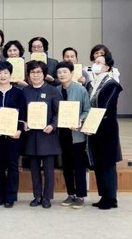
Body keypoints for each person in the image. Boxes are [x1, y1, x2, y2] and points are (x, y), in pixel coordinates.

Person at [86, 53, 123, 210]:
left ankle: (111, 198)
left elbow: (104, 107)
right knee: (99, 163)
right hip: (94, 129)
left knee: (108, 163)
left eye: (99, 62)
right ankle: (103, 196)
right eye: (95, 62)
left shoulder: (112, 84)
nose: (95, 64)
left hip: (107, 129)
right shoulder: (92, 84)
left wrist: (91, 125)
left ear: (107, 67)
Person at [22, 60, 62, 209]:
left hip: (47, 135)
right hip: (31, 136)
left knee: (48, 170)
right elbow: (22, 112)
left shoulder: (53, 91)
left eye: (39, 72)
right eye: (32, 72)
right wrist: (23, 122)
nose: (35, 75)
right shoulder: (25, 91)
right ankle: (37, 196)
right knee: (34, 169)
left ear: (44, 74)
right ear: (28, 75)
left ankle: (47, 197)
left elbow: (59, 112)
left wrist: (53, 125)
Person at [0, 61, 26, 208]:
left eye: (5, 72)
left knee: (12, 165)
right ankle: (0, 195)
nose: (2, 75)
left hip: (13, 135)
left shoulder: (19, 93)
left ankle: (11, 196)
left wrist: (19, 130)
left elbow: (23, 112)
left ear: (10, 74)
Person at [55, 61, 91, 209]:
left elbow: (87, 110)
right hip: (62, 133)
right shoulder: (56, 90)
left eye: (65, 72)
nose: (62, 75)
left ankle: (80, 196)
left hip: (76, 133)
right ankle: (71, 194)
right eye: (59, 72)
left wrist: (80, 119)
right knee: (67, 165)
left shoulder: (80, 89)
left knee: (79, 165)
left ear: (71, 73)